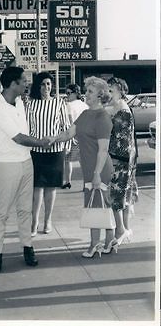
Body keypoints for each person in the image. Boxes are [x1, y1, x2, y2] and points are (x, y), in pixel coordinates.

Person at [0, 66, 53, 274]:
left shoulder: (19, 103)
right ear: (13, 84)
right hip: (7, 164)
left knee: (25, 209)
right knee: (2, 212)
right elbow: (18, 137)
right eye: (24, 81)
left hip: (26, 161)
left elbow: (24, 135)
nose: (27, 84)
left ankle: (28, 248)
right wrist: (42, 143)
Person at [51, 76, 114, 258]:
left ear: (100, 95)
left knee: (94, 206)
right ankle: (109, 239)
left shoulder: (103, 117)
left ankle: (94, 244)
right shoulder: (85, 114)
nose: (85, 94)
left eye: (90, 92)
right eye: (86, 91)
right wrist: (52, 139)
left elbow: (103, 150)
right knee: (99, 205)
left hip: (99, 168)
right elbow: (70, 133)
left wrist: (96, 175)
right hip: (88, 167)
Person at [25, 72, 71, 236]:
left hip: (55, 151)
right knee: (37, 187)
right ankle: (34, 221)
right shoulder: (30, 104)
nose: (46, 87)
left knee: (51, 187)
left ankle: (47, 220)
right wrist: (33, 144)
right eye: (43, 84)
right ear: (38, 86)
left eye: (49, 84)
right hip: (36, 151)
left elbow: (65, 128)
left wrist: (64, 146)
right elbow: (27, 129)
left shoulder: (59, 103)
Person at [106, 77, 138, 251]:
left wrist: (116, 159)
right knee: (124, 196)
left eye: (112, 90)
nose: (109, 94)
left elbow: (123, 141)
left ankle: (121, 230)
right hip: (125, 159)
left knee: (116, 196)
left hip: (121, 159)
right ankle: (124, 229)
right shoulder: (119, 108)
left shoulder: (122, 110)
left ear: (121, 90)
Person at [62, 83, 88, 189]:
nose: (67, 96)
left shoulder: (68, 106)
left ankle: (68, 181)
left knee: (67, 160)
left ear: (75, 93)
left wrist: (71, 137)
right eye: (66, 93)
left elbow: (70, 122)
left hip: (73, 136)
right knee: (84, 162)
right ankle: (85, 184)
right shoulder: (84, 105)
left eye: (68, 93)